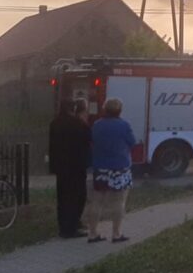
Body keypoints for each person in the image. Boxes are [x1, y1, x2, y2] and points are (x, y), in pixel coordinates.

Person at [86, 98, 136, 243]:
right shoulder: (124, 125)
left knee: (97, 201)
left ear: (105, 109)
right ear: (120, 111)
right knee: (119, 201)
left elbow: (92, 141)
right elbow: (132, 142)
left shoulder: (97, 125)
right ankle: (116, 234)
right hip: (120, 168)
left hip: (100, 168)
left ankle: (93, 233)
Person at [48, 99, 91, 239]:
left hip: (61, 168)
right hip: (76, 167)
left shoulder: (54, 123)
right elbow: (88, 139)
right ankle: (72, 228)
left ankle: (63, 227)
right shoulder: (77, 124)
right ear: (72, 109)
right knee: (77, 197)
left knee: (63, 198)